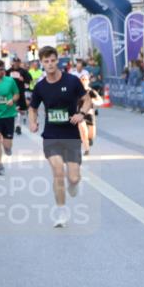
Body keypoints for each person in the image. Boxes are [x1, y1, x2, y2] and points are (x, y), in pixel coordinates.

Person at [28, 46, 93, 228]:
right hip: (51, 135)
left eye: (52, 60)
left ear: (57, 61)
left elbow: (87, 100)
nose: (49, 64)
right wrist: (32, 122)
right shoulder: (40, 87)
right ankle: (61, 211)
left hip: (71, 135)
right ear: (42, 63)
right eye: (46, 61)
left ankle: (73, 184)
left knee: (73, 178)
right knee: (57, 171)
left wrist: (81, 113)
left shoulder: (72, 81)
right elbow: (32, 108)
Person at [7, 57, 32, 135]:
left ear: (19, 63)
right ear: (12, 63)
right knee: (12, 110)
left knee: (19, 110)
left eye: (18, 62)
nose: (16, 64)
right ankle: (13, 126)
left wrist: (23, 80)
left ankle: (18, 126)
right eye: (15, 62)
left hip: (20, 93)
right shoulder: (8, 71)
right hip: (10, 93)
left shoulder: (23, 71)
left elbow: (28, 82)